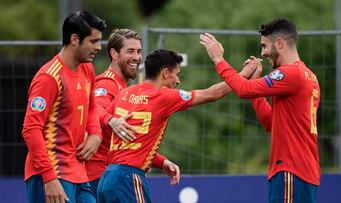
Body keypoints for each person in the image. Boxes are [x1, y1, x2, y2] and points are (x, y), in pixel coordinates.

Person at [97, 49, 258, 202]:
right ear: (166, 73)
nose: (178, 81)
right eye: (177, 74)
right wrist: (242, 75)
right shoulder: (164, 96)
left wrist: (160, 161)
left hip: (106, 178)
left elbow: (108, 127)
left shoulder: (126, 92)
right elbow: (212, 94)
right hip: (128, 178)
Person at [200, 17, 320, 203]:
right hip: (299, 169)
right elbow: (270, 122)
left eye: (265, 46)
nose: (263, 53)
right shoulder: (308, 76)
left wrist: (218, 59)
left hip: (291, 168)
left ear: (279, 43)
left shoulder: (290, 73)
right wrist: (253, 80)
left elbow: (243, 90)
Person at [22, 11, 106, 203]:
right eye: (93, 41)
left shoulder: (87, 68)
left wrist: (95, 134)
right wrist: (49, 177)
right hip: (51, 173)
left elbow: (92, 106)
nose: (99, 47)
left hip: (77, 172)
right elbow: (30, 129)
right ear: (75, 39)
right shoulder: (48, 78)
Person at [85, 28, 180, 194]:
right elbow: (94, 110)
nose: (136, 57)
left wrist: (160, 161)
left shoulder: (125, 88)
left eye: (139, 51)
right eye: (130, 51)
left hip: (107, 176)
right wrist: (111, 120)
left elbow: (130, 139)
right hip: (99, 174)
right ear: (114, 54)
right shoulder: (108, 83)